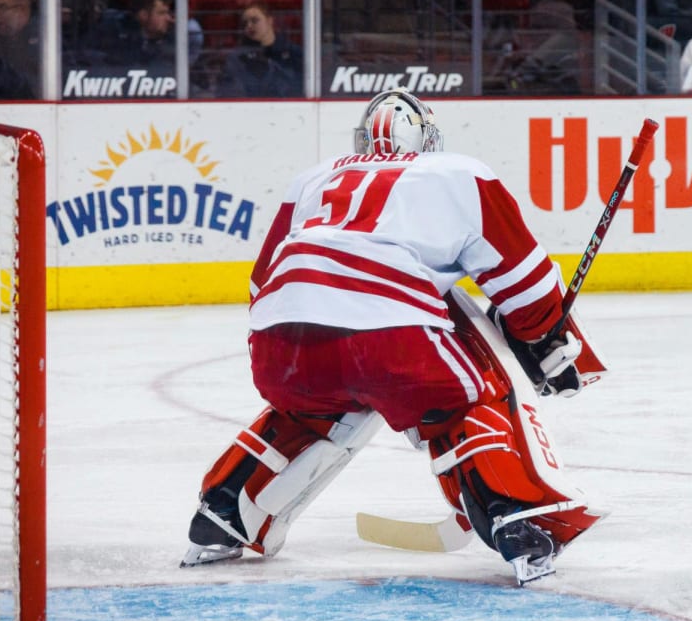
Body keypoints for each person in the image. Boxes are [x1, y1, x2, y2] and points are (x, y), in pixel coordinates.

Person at [180, 88, 604, 584]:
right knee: (470, 393)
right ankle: (515, 514)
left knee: (313, 407)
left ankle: (223, 512)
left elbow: (262, 282)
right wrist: (545, 341)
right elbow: (524, 285)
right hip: (392, 337)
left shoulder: (313, 178)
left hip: (280, 339)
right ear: (426, 137)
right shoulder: (459, 173)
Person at [215, 2, 302, 98]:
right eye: (245, 24)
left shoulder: (293, 52)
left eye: (254, 20)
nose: (249, 26)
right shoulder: (237, 58)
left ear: (269, 20)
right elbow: (230, 94)